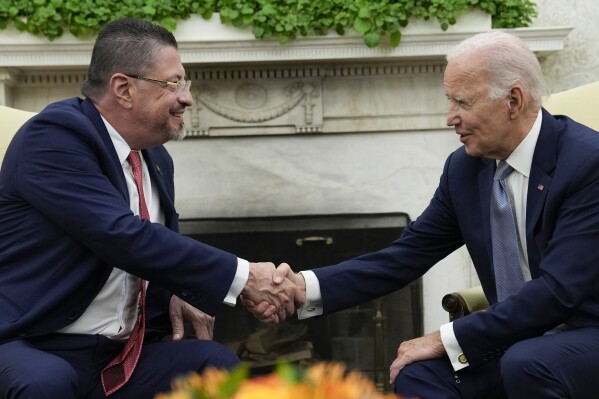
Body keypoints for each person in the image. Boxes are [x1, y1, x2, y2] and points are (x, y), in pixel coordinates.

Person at [249, 30, 599, 398]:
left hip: (585, 334)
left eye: (462, 102)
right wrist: (304, 288)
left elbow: (559, 293)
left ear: (513, 100)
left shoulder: (586, 164)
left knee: (525, 362)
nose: (450, 118)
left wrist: (446, 338)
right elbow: (404, 256)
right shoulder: (466, 170)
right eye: (449, 101)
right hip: (515, 340)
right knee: (417, 373)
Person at [0, 18, 299, 399]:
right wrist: (244, 279)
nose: (187, 97)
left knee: (213, 366)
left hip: (119, 354)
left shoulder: (156, 160)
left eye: (185, 84)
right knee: (47, 382)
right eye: (174, 83)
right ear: (123, 88)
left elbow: (159, 250)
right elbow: (121, 235)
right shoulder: (55, 137)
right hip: (32, 339)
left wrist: (178, 291)